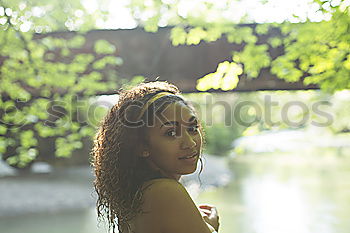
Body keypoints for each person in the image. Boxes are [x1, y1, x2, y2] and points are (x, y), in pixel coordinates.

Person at [92, 81, 220, 233]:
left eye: (192, 128)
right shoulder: (165, 191)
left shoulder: (137, 196)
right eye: (171, 133)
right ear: (142, 146)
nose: (190, 142)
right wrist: (211, 226)